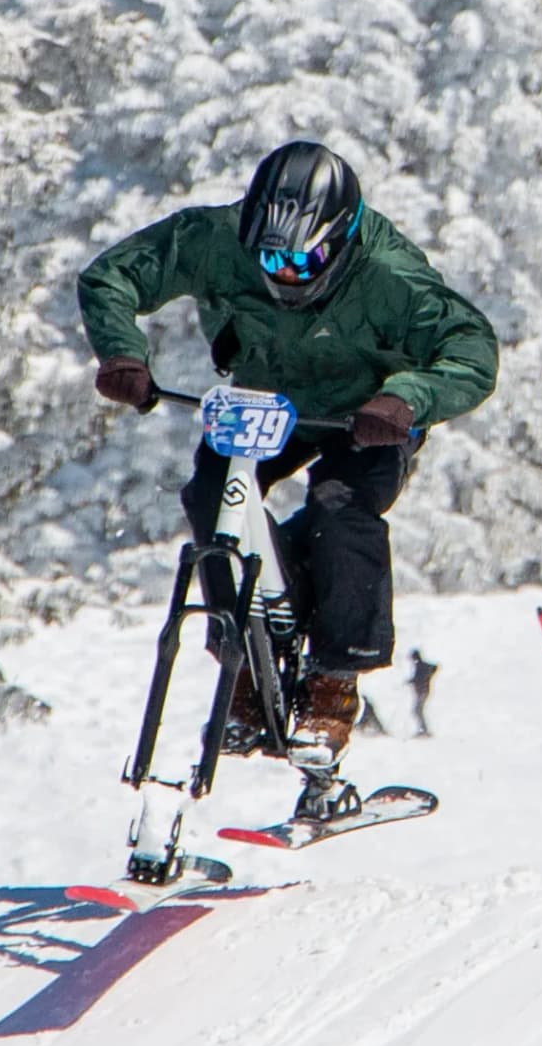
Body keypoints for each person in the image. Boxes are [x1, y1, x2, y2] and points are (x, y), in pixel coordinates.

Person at [78, 140, 499, 766]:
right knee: (214, 499)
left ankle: (335, 684)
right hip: (266, 400)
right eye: (272, 257)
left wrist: (406, 399)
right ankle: (243, 659)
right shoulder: (212, 240)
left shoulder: (389, 275)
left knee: (340, 508)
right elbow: (112, 275)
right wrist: (123, 353)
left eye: (309, 259)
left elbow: (472, 349)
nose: (288, 273)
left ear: (346, 237)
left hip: (366, 416)